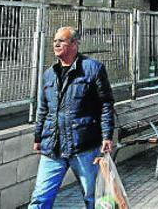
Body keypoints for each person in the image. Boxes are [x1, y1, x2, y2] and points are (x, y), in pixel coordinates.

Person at [29, 26, 116, 209]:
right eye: (55, 41)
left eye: (61, 41)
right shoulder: (49, 75)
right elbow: (43, 109)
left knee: (94, 197)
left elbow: (106, 104)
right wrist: (38, 137)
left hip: (84, 146)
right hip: (53, 147)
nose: (56, 44)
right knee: (40, 197)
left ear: (75, 44)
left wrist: (107, 135)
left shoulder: (92, 69)